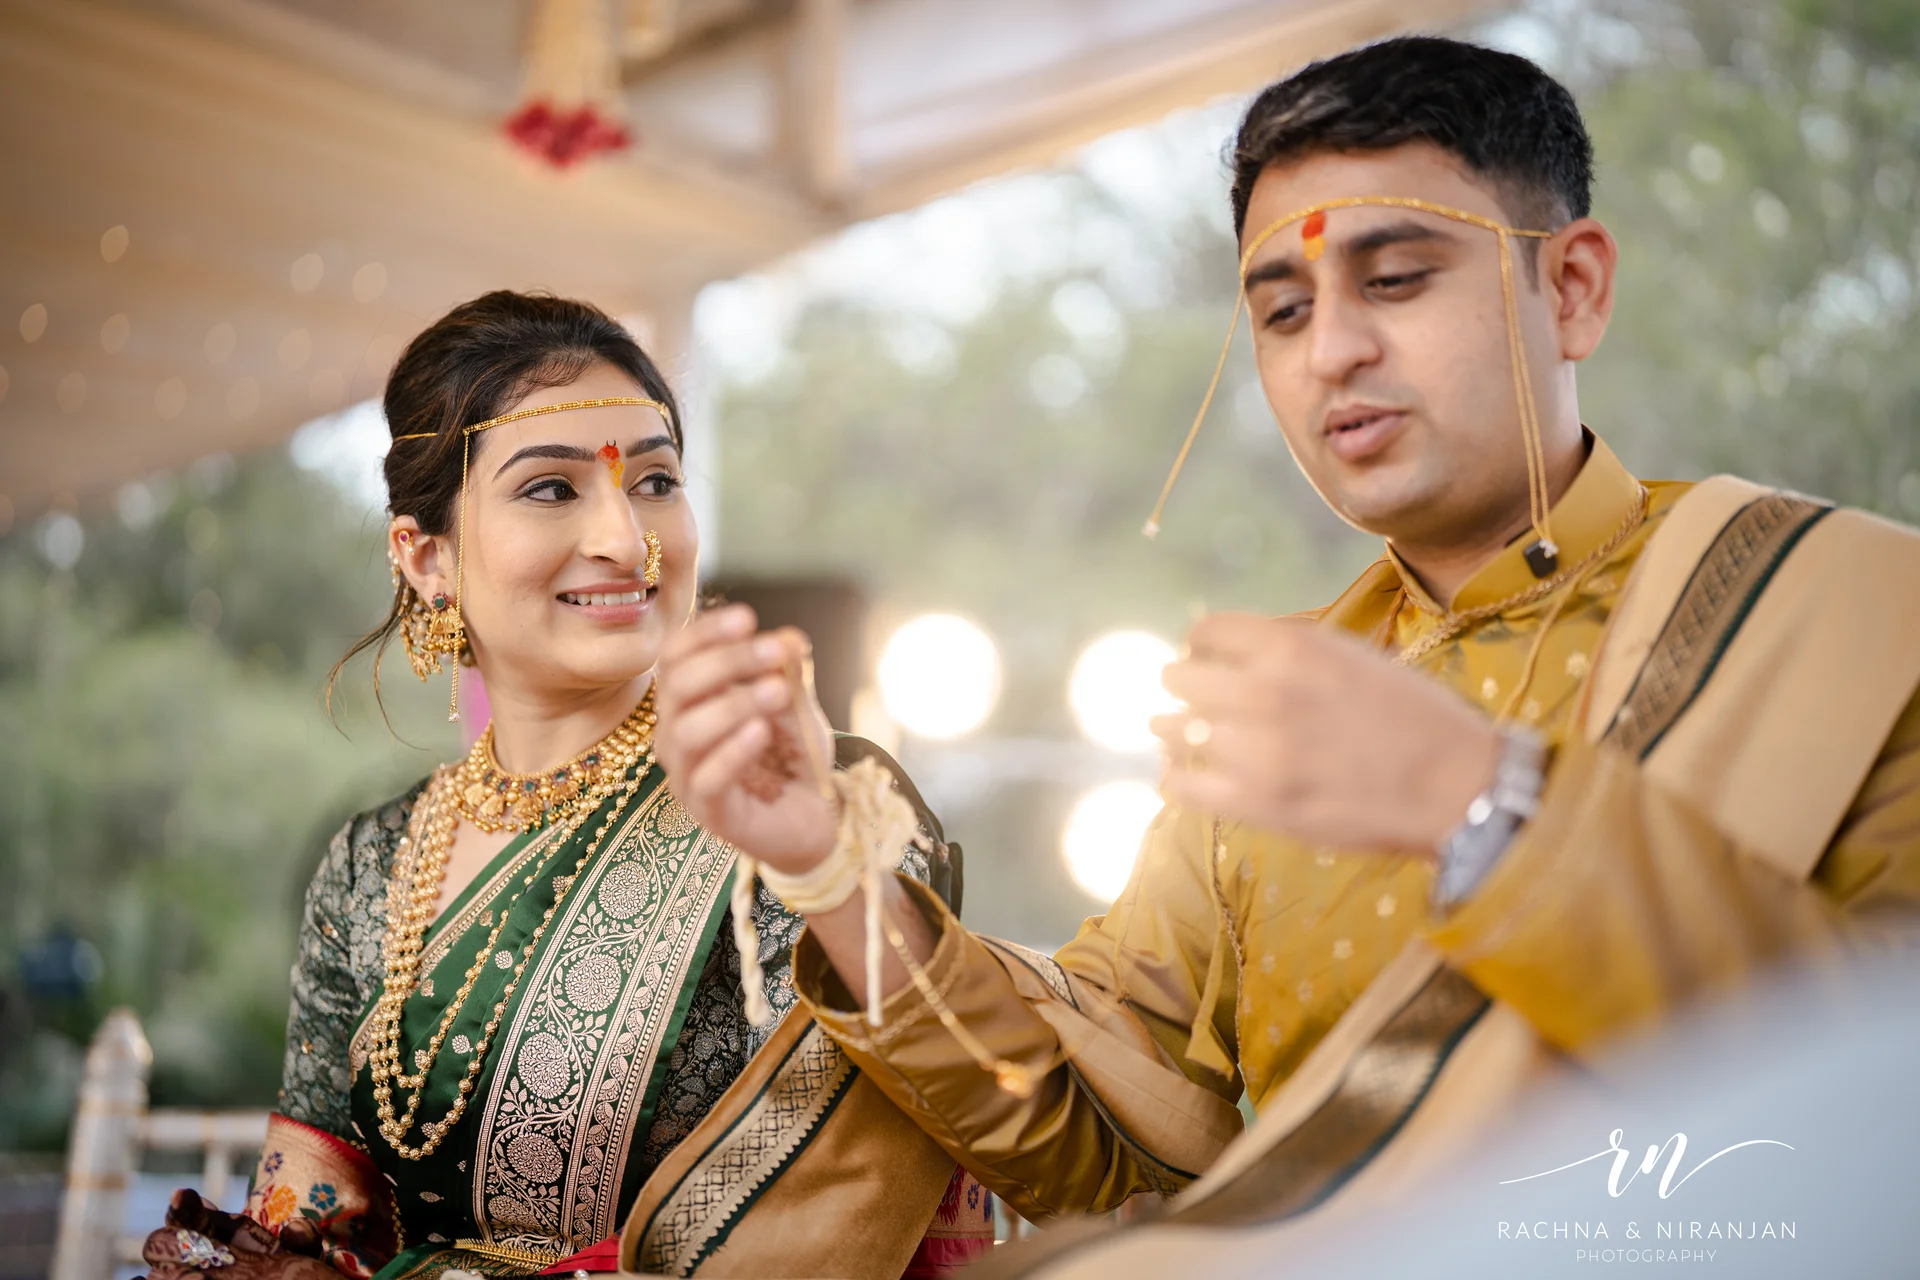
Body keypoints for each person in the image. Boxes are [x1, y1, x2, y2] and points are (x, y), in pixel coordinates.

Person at [650, 33, 1920, 1248]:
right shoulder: (1281, 699)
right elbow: (1102, 1143)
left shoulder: (1841, 609)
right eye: (1283, 310)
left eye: (1397, 277)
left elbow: (1884, 1110)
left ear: (1573, 287)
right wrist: (835, 871)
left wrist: (1483, 807)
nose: (1336, 353)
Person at [136, 292, 993, 1280]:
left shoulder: (815, 800)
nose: (627, 541)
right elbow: (301, 1226)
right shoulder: (370, 860)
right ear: (428, 556)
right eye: (551, 489)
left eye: (658, 480)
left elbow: (838, 1220)